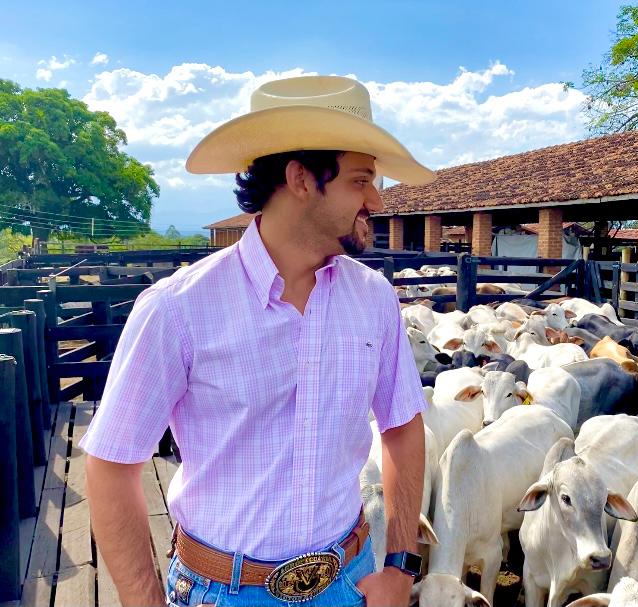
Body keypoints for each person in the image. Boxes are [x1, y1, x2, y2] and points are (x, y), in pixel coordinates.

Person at [81, 75, 436, 607]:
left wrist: (401, 568)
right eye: (360, 181)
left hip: (353, 581)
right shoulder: (177, 308)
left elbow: (403, 427)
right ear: (300, 179)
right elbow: (111, 464)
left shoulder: (374, 299)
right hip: (220, 592)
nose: (376, 201)